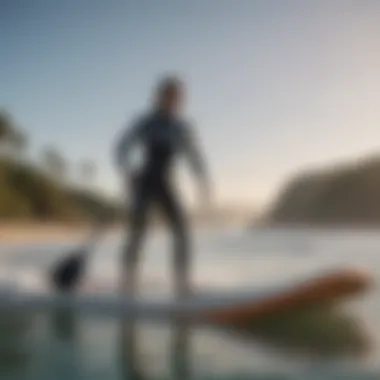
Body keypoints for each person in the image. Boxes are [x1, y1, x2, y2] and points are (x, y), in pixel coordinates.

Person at [113, 76, 211, 298]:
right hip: (145, 182)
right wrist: (128, 172)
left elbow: (194, 155)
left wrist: (202, 181)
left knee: (182, 231)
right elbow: (121, 148)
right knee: (138, 232)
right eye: (169, 96)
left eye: (177, 97)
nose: (173, 101)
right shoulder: (146, 122)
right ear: (159, 97)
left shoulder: (181, 127)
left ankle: (182, 282)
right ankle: (127, 281)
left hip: (166, 184)